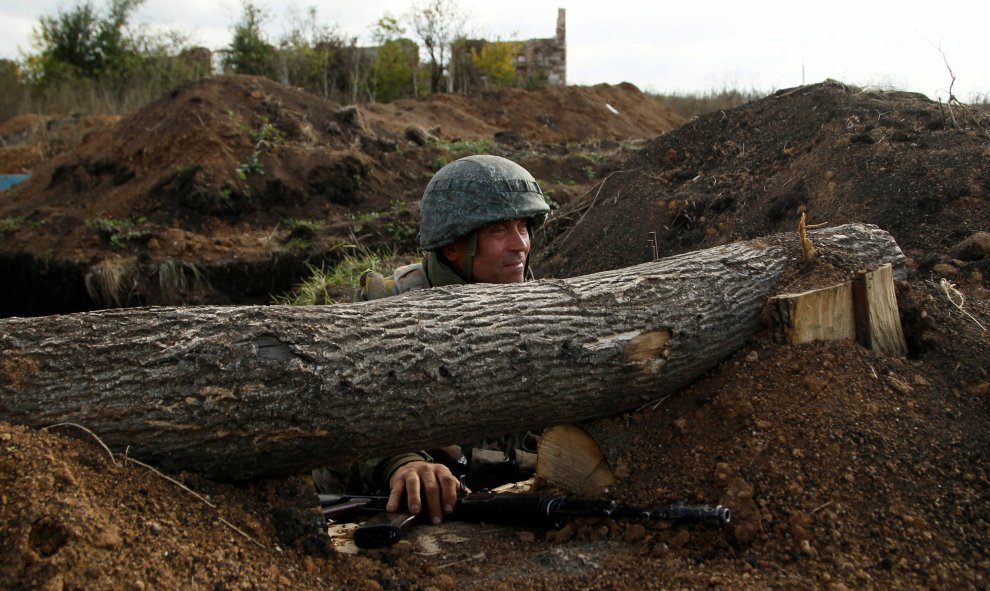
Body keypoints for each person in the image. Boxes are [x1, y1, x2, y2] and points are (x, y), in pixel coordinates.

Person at [320, 154, 550, 525]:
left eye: (523, 226)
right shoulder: (385, 308)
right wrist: (402, 462)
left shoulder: (550, 308)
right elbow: (343, 412)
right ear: (451, 246)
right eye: (498, 231)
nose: (519, 244)